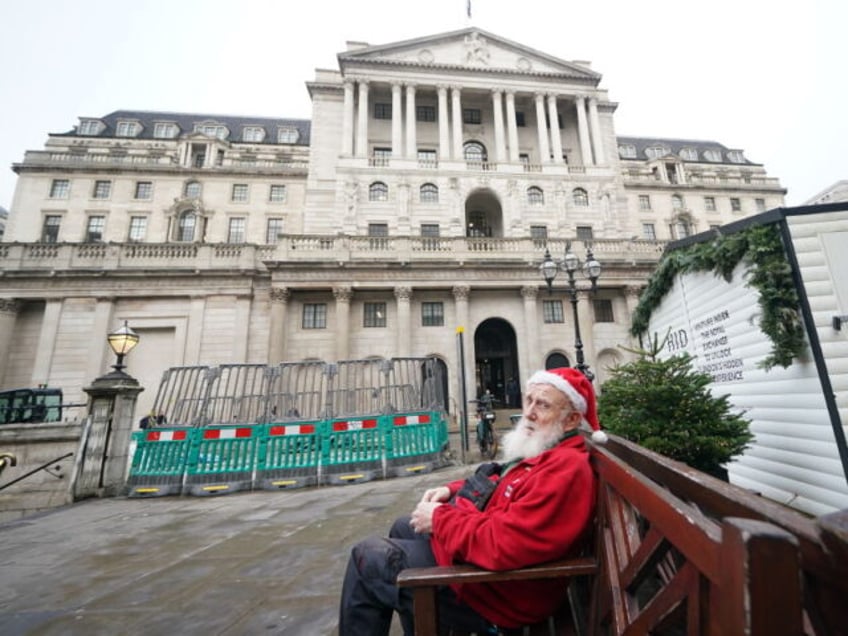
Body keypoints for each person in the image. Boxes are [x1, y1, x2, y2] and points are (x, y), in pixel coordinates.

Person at [338, 368, 608, 635]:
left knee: (369, 558)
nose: (529, 412)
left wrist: (440, 519)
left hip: (501, 596)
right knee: (403, 527)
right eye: (529, 400)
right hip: (496, 576)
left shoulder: (565, 470)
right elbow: (501, 481)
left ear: (571, 420)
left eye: (543, 405)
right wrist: (451, 490)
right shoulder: (551, 450)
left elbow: (504, 542)